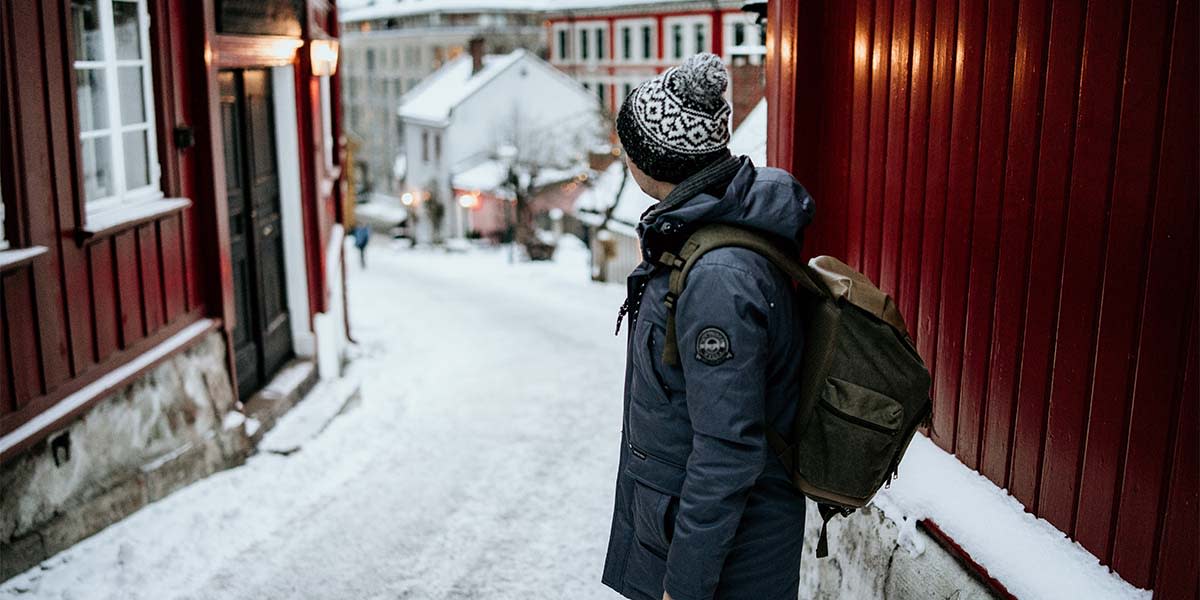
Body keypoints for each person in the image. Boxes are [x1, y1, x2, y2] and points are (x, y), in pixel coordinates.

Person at [601, 53, 815, 600]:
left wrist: (685, 586)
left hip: (727, 568)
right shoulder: (697, 237)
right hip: (698, 543)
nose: (623, 156)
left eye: (630, 144)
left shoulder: (719, 277)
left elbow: (728, 451)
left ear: (657, 159)